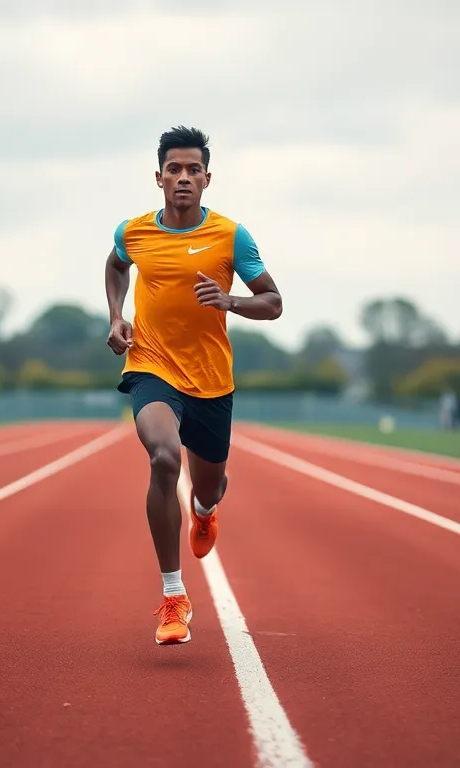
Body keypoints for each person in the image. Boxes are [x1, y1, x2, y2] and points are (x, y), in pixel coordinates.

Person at [103, 125, 283, 645]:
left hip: (210, 380)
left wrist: (231, 302)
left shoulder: (231, 236)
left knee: (208, 487)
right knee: (163, 458)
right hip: (151, 365)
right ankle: (174, 595)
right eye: (174, 169)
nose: (183, 177)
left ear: (207, 179)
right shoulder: (133, 232)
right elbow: (116, 266)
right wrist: (116, 316)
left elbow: (273, 302)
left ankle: (204, 511)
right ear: (158, 177)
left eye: (193, 170)